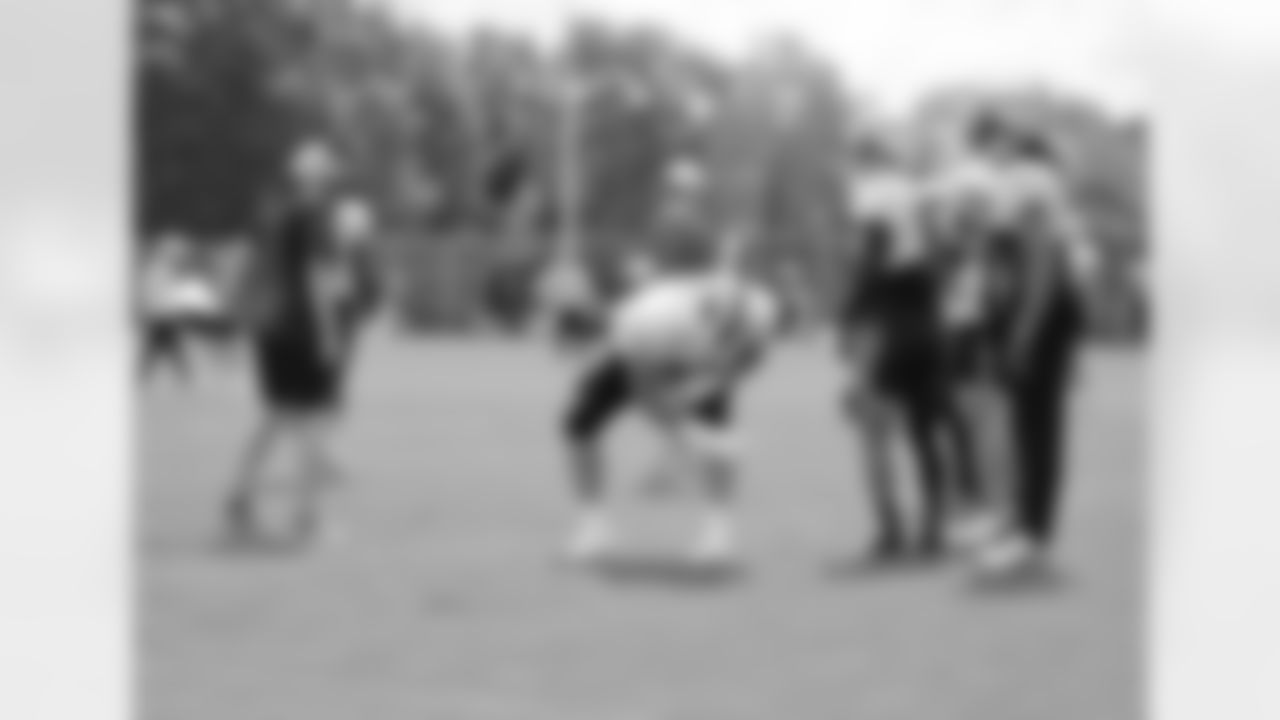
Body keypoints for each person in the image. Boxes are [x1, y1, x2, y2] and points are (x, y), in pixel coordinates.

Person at [931, 114, 1095, 580]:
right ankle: (1021, 527)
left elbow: (1041, 263)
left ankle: (1034, 538)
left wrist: (1023, 331)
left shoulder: (1031, 181)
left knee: (1039, 430)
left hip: (1038, 318)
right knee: (1026, 427)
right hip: (1030, 317)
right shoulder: (1028, 183)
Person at [559, 246, 782, 567]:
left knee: (719, 436)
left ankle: (719, 532)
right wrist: (681, 439)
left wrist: (707, 391)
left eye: (732, 330)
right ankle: (593, 527)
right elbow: (643, 388)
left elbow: (750, 359)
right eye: (721, 328)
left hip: (701, 363)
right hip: (647, 355)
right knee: (579, 424)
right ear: (702, 313)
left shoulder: (759, 309)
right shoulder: (648, 317)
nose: (726, 335)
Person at [225, 139, 379, 546]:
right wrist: (329, 335)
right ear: (322, 177)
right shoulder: (314, 216)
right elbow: (317, 278)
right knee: (315, 423)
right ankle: (306, 521)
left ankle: (239, 501)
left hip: (270, 331)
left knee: (275, 416)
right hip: (303, 331)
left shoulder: (272, 213)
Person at [838, 155, 968, 562]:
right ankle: (933, 531)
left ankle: (890, 531)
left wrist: (853, 360)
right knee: (926, 438)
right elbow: (950, 258)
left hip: (886, 343)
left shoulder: (871, 244)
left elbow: (860, 301)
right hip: (929, 340)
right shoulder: (925, 235)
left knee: (876, 442)